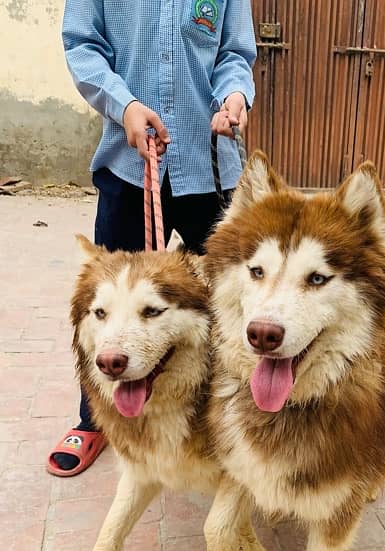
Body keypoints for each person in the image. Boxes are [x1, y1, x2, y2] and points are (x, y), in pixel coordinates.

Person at [48, 0, 256, 476]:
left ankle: (230, 411)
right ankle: (95, 419)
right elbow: (83, 46)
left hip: (209, 169)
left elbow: (234, 54)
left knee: (230, 299)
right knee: (108, 302)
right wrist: (125, 106)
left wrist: (234, 96)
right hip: (128, 162)